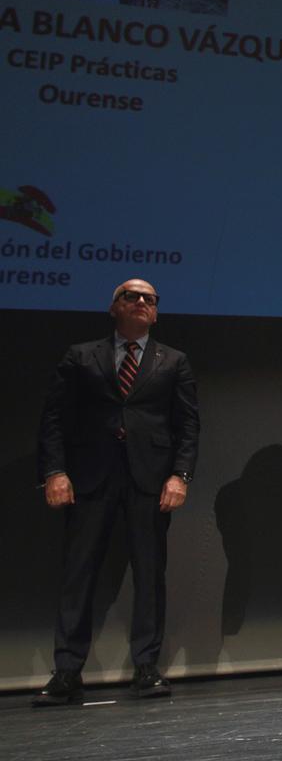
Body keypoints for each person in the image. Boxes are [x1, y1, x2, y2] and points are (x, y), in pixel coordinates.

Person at [34, 278, 199, 705]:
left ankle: (146, 667)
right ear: (114, 307)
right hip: (90, 478)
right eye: (132, 296)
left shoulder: (173, 360)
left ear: (156, 312)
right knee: (78, 575)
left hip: (150, 480)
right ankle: (67, 671)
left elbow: (188, 425)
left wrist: (180, 476)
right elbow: (54, 418)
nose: (141, 302)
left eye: (149, 299)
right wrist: (55, 471)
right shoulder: (81, 356)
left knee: (150, 576)